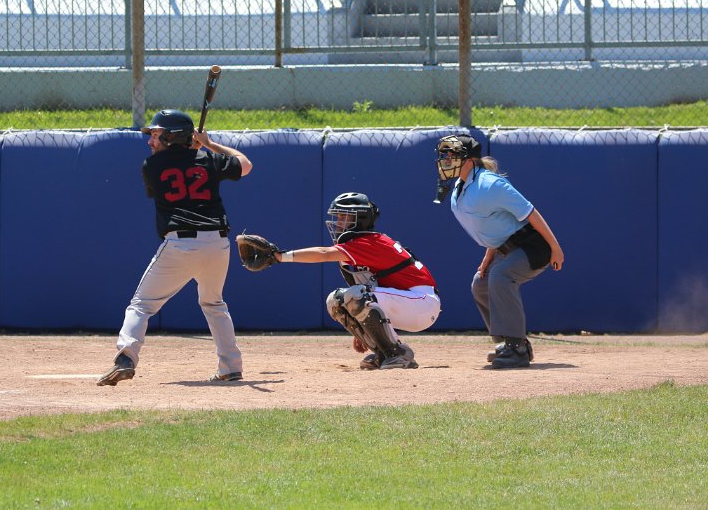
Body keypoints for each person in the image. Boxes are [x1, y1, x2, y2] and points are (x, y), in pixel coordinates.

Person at [97, 109, 253, 386]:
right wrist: (208, 144)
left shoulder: (151, 166)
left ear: (172, 137)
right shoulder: (208, 159)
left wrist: (194, 152)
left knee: (142, 305)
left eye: (157, 135)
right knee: (214, 303)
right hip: (217, 244)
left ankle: (126, 358)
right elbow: (245, 164)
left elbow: (178, 170)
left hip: (181, 244)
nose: (150, 141)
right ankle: (231, 366)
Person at [435, 134, 565, 368]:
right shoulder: (460, 187)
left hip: (533, 246)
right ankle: (510, 342)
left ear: (470, 160)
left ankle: (517, 350)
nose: (446, 159)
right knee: (481, 283)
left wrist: (555, 248)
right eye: (444, 155)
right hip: (505, 249)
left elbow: (530, 212)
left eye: (453, 155)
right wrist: (488, 257)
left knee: (501, 275)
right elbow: (493, 226)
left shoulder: (490, 184)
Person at [272, 192, 441, 370]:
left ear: (360, 219)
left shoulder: (370, 242)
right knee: (336, 300)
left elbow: (324, 253)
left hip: (423, 303)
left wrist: (279, 257)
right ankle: (384, 353)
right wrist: (364, 326)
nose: (338, 222)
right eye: (338, 216)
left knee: (356, 296)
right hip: (408, 302)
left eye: (344, 216)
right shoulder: (359, 243)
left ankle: (398, 353)